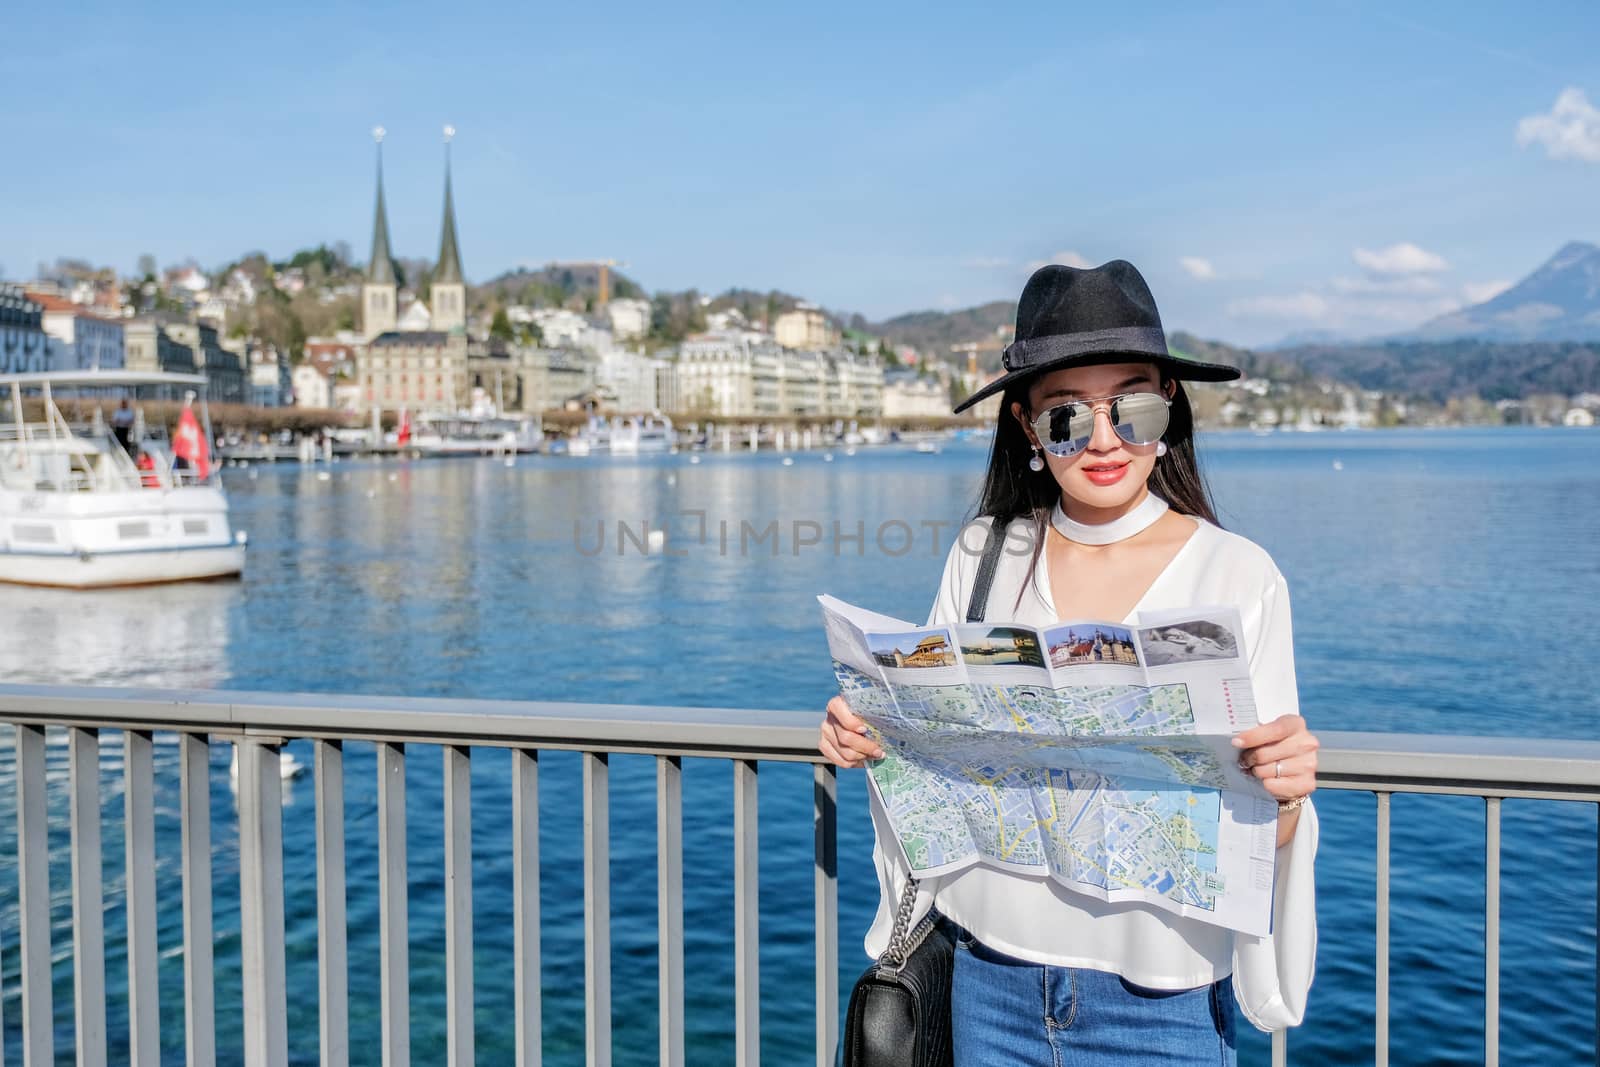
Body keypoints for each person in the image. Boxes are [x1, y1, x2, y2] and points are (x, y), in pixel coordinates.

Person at [819, 261, 1318, 1065]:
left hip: (1163, 1012)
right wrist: (868, 733)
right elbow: (934, 761)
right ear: (1025, 426)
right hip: (987, 988)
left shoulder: (1237, 575)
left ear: (1171, 406)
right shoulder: (984, 554)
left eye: (1135, 405)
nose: (1105, 439)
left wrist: (1287, 796)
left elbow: (1265, 815)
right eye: (1066, 418)